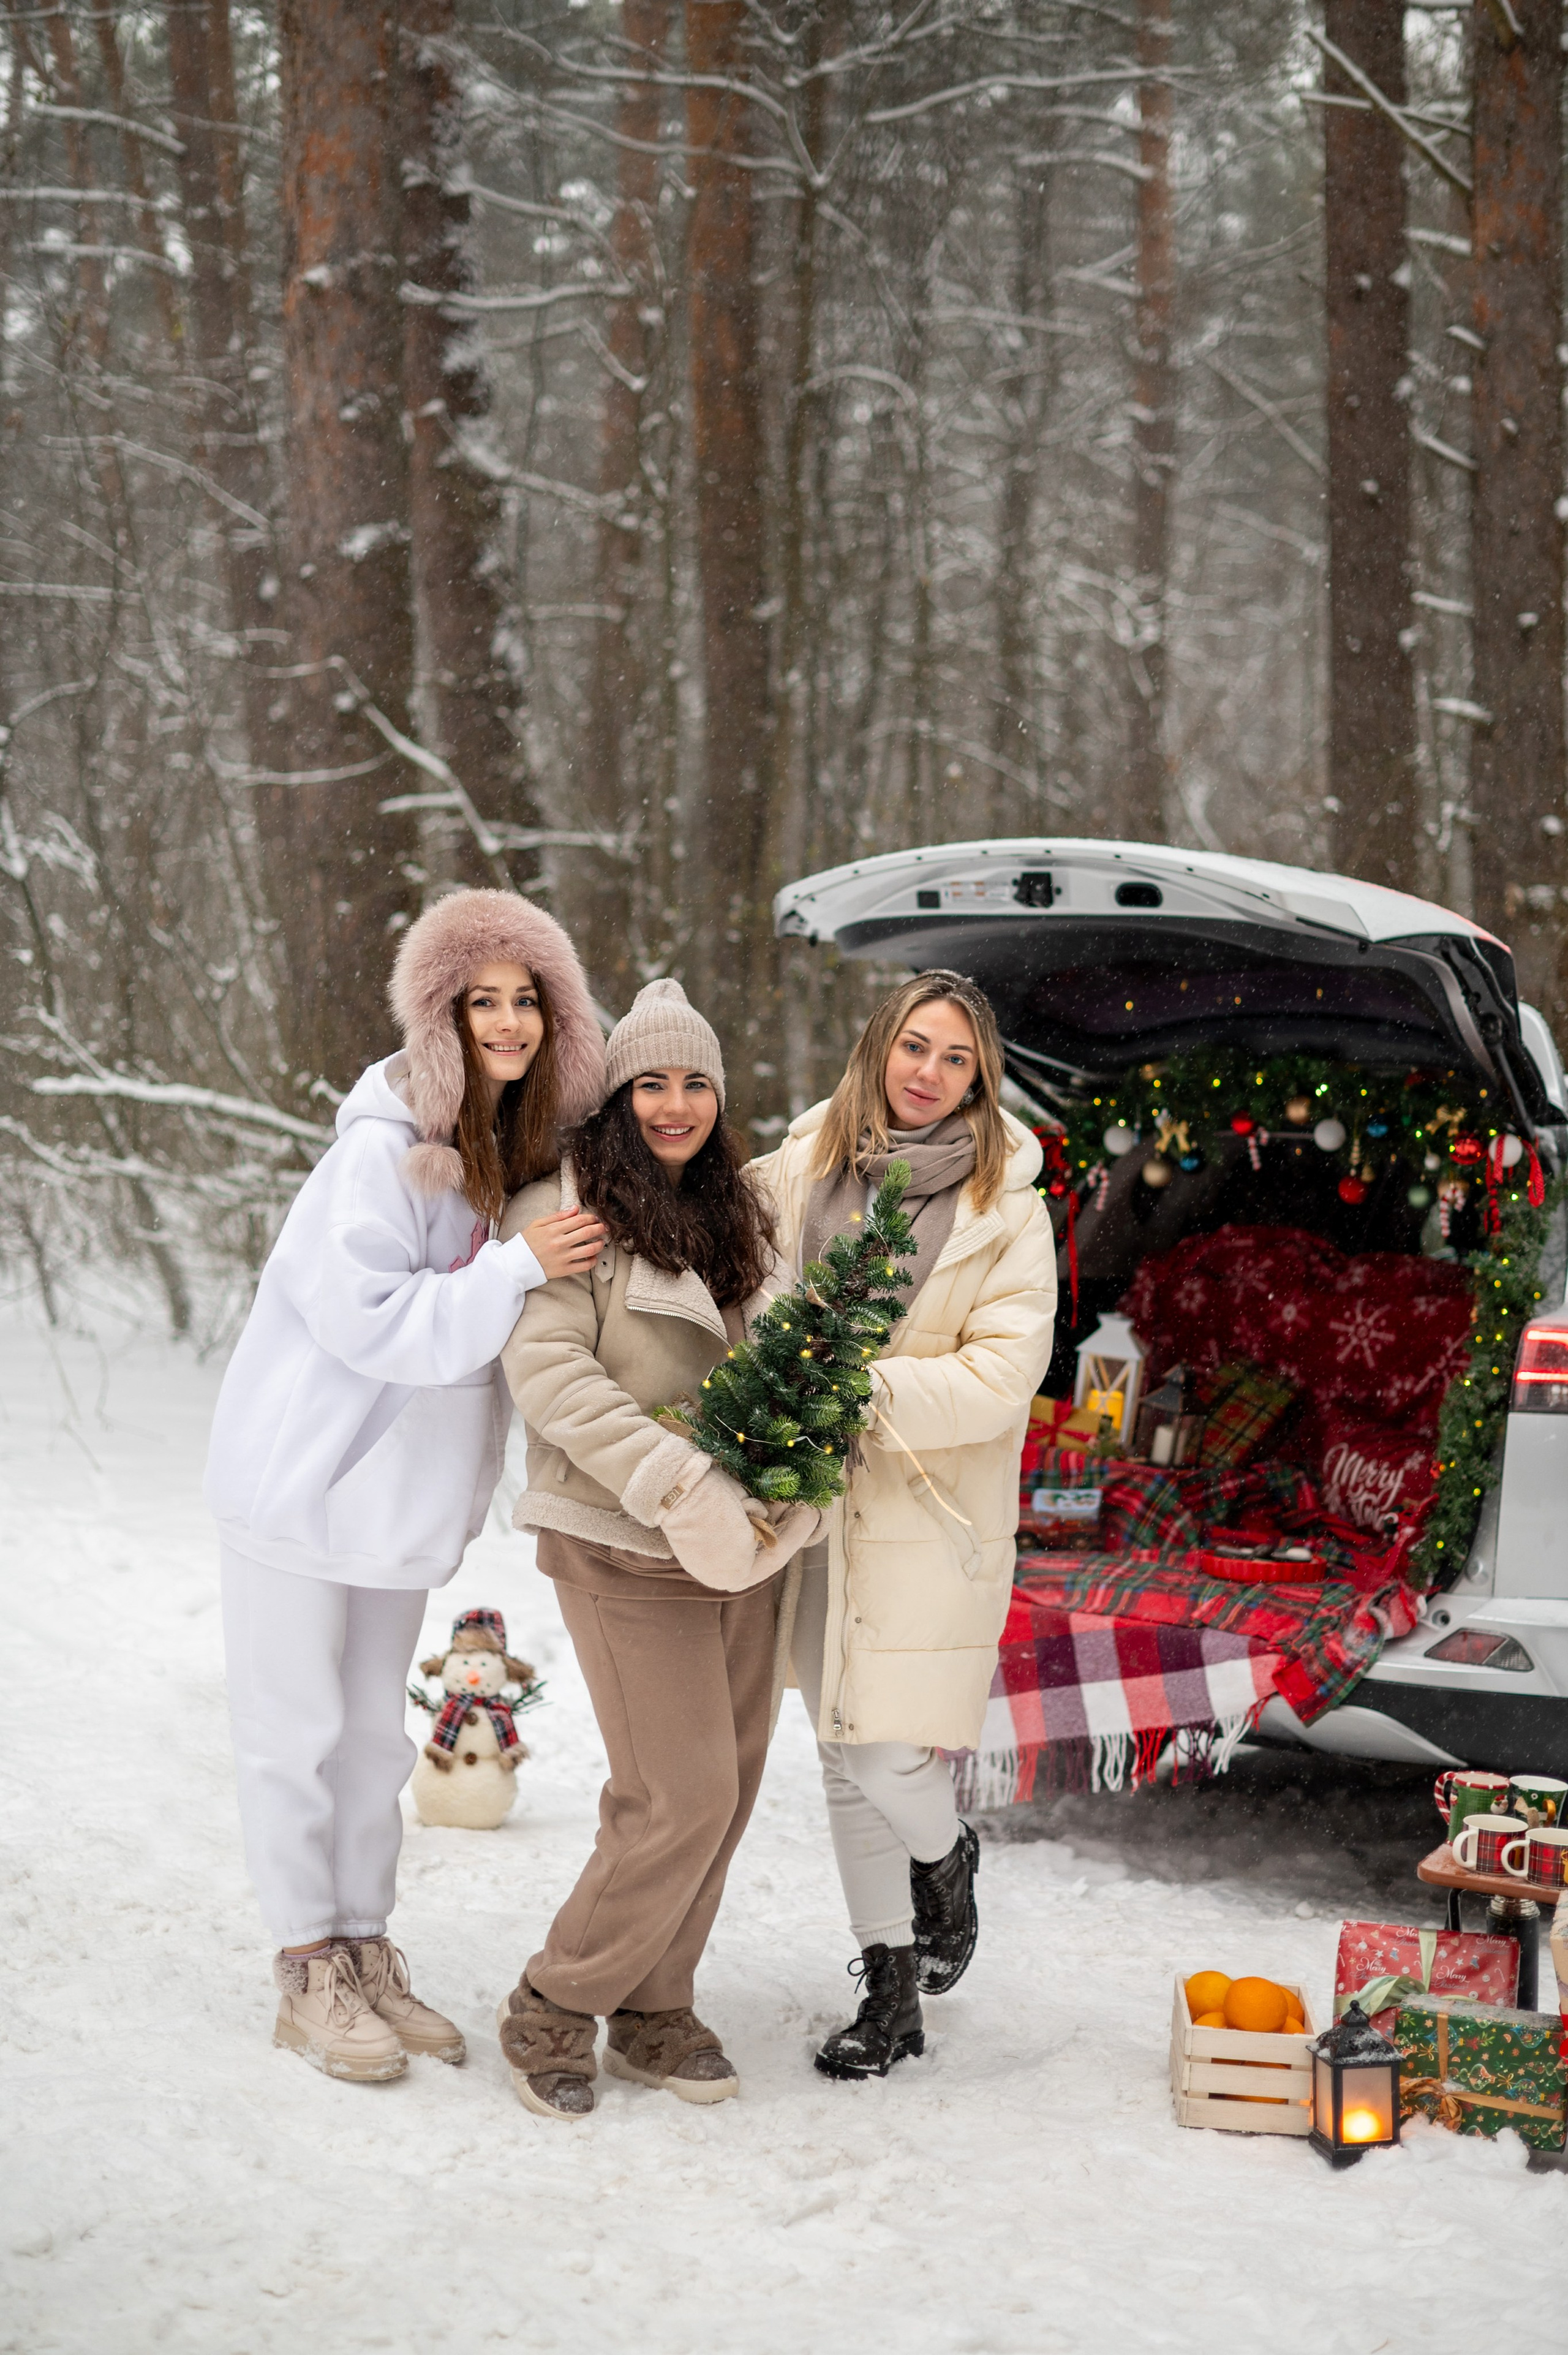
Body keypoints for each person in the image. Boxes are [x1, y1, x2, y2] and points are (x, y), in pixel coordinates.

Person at [204, 890, 607, 2082]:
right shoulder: (376, 1155)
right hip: (303, 1485)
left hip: (395, 1508)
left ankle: (364, 1943)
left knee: (374, 1742)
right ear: (442, 1015)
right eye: (482, 1000)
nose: (507, 1020)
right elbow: (370, 1321)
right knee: (294, 1734)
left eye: (526, 998)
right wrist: (515, 1267)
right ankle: (305, 1964)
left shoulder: (513, 1161)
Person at [495, 979, 818, 2121]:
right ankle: (555, 2000)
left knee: (728, 1793)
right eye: (651, 1083)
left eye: (695, 1084)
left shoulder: (740, 1212)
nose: (674, 1104)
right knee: (675, 1794)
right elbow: (549, 1373)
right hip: (624, 1534)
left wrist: (789, 1468)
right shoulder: (569, 1205)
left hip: (746, 1543)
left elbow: (784, 1353)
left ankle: (656, 2004)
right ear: (617, 1095)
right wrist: (675, 1476)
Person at [751, 970, 1057, 2079]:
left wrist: (858, 1387)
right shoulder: (798, 1166)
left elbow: (1002, 1376)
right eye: (914, 1046)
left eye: (956, 1058)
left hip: (923, 1509)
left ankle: (946, 1854)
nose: (928, 1073)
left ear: (980, 1080)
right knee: (840, 1743)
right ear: (880, 1045)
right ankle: (890, 1990)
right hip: (806, 1506)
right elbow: (728, 1266)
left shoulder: (1007, 1209)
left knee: (882, 1748)